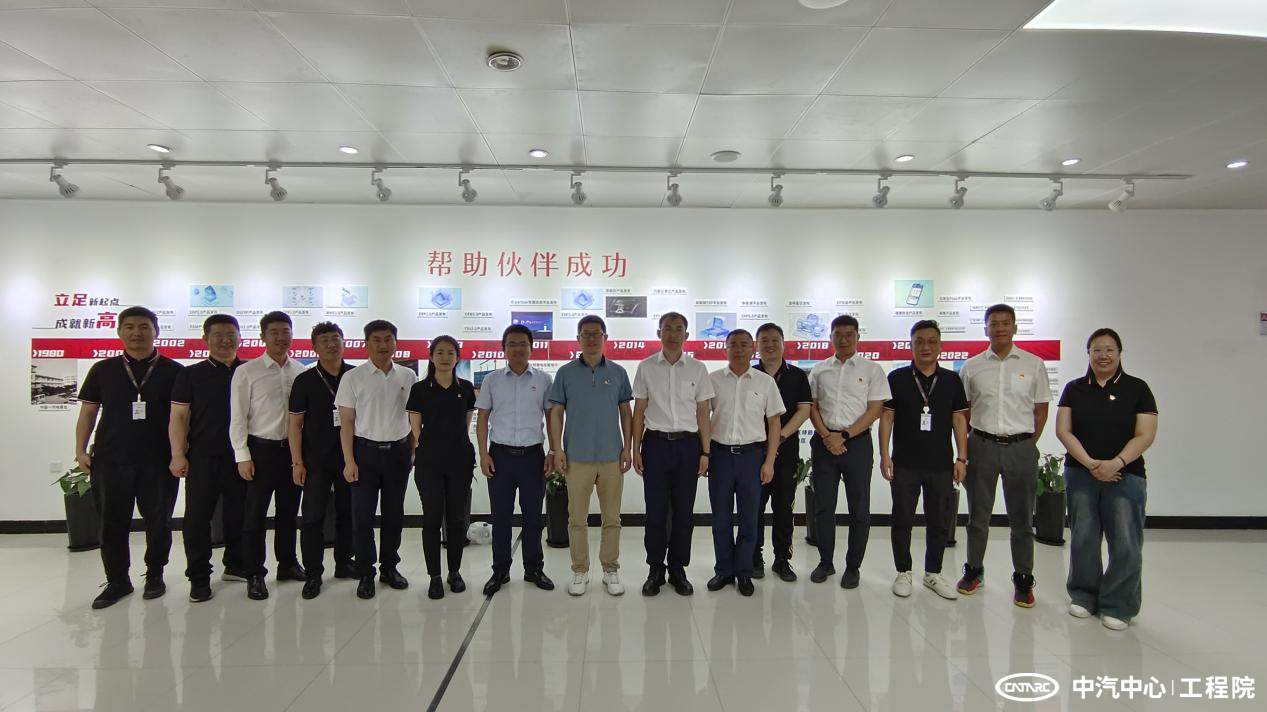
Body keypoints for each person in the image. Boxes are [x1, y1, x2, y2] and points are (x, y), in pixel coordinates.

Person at [75, 306, 183, 609]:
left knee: (159, 521)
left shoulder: (174, 371)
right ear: (120, 331)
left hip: (158, 460)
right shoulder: (103, 369)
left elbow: (182, 417)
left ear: (156, 331)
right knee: (112, 523)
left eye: (144, 327)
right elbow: (88, 413)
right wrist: (80, 450)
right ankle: (117, 580)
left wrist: (180, 454)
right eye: (130, 327)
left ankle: (155, 575)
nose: (137, 333)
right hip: (111, 459)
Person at [1056, 328, 1157, 630]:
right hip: (1081, 474)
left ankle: (1118, 604)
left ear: (1119, 353)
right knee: (1084, 537)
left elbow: (1145, 434)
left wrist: (1116, 463)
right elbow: (1063, 430)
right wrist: (1090, 464)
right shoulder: (1074, 389)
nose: (1103, 355)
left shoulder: (1138, 389)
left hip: (1126, 475)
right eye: (1096, 349)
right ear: (1088, 353)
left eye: (1110, 349)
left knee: (1125, 540)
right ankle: (1084, 596)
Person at [956, 303, 1053, 608]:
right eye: (993, 323)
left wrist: (1026, 444)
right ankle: (974, 570)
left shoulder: (1034, 364)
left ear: (1015, 327)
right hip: (981, 445)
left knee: (1022, 519)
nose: (999, 328)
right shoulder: (971, 367)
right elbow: (964, 412)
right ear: (985, 328)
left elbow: (1040, 411)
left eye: (1005, 323)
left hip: (1021, 448)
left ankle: (1023, 578)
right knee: (977, 517)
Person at [878, 320, 968, 601]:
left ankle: (933, 573)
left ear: (940, 346)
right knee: (902, 519)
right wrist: (884, 455)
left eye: (931, 341)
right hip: (904, 463)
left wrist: (962, 458)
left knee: (939, 521)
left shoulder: (952, 380)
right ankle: (903, 571)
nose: (925, 346)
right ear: (911, 344)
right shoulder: (896, 378)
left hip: (940, 464)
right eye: (919, 341)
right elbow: (887, 418)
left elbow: (959, 420)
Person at [548, 315, 634, 597]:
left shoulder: (618, 372)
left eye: (597, 334)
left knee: (612, 518)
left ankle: (610, 569)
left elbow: (626, 413)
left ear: (605, 338)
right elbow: (556, 413)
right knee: (576, 519)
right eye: (586, 334)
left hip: (611, 457)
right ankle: (580, 570)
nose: (592, 338)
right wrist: (557, 449)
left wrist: (628, 448)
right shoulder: (565, 373)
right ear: (578, 339)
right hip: (577, 458)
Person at [630, 312, 713, 597]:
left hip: (688, 446)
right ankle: (655, 569)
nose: (673, 334)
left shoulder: (698, 369)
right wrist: (635, 448)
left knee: (683, 512)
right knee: (655, 511)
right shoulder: (646, 367)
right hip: (655, 445)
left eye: (679, 329)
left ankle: (678, 569)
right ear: (659, 333)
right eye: (668, 328)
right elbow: (639, 411)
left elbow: (703, 413)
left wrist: (706, 451)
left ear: (686, 335)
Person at [807, 314, 890, 589]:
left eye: (849, 334)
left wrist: (843, 436)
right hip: (824, 443)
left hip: (857, 444)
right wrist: (826, 436)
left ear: (857, 337)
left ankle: (853, 566)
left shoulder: (872, 370)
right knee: (823, 507)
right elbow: (812, 407)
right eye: (838, 334)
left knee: (859, 508)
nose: (843, 339)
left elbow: (875, 410)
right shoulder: (819, 370)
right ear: (830, 337)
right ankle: (825, 561)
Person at [336, 319, 415, 600]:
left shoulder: (408, 375)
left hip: (397, 453)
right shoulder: (353, 378)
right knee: (363, 517)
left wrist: (412, 452)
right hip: (364, 454)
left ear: (396, 343)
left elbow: (413, 419)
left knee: (394, 514)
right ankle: (366, 572)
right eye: (377, 340)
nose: (383, 345)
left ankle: (389, 567)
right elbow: (346, 423)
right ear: (366, 343)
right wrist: (349, 461)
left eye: (388, 339)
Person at [230, 311, 306, 601]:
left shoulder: (300, 371)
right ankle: (254, 573)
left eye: (286, 331)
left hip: (292, 453)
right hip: (260, 451)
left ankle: (287, 563)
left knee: (288, 512)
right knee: (254, 515)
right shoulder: (247, 372)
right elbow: (238, 417)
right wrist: (242, 454)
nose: (281, 337)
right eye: (274, 332)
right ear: (262, 336)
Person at [169, 314, 246, 603]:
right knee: (197, 519)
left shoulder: (249, 372)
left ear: (240, 338)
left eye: (231, 334)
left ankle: (236, 565)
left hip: (242, 457)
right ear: (206, 339)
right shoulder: (191, 374)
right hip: (203, 458)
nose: (225, 340)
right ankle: (199, 578)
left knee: (240, 515)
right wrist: (178, 454)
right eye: (218, 335)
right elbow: (179, 417)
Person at [476, 325, 556, 597]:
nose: (517, 349)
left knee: (533, 517)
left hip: (533, 457)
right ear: (504, 349)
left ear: (531, 348)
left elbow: (552, 417)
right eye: (512, 344)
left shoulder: (543, 380)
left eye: (523, 343)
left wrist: (553, 451)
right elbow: (483, 417)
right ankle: (500, 570)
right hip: (500, 457)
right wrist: (483, 453)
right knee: (500, 518)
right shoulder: (492, 380)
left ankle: (534, 568)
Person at [706, 329, 784, 597]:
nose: (738, 350)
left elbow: (774, 422)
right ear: (725, 348)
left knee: (750, 518)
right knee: (721, 518)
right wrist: (704, 453)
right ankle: (724, 570)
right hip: (720, 456)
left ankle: (744, 571)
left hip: (752, 456)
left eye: (744, 345)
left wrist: (769, 461)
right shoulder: (713, 380)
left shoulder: (765, 382)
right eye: (733, 345)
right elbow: (702, 418)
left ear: (753, 349)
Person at [287, 322, 356, 600]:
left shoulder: (355, 376)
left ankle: (344, 562)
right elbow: (295, 424)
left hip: (350, 458)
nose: (331, 344)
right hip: (315, 460)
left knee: (348, 513)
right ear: (314, 346)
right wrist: (297, 462)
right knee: (313, 518)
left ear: (344, 342)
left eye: (336, 338)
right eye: (324, 340)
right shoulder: (304, 380)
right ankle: (313, 572)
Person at [407, 335, 477, 600]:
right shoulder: (420, 389)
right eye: (440, 352)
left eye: (450, 353)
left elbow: (466, 424)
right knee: (432, 519)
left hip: (460, 460)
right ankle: (434, 576)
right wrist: (430, 450)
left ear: (457, 357)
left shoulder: (466, 388)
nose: (445, 357)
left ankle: (454, 572)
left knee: (457, 519)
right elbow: (416, 430)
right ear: (431, 356)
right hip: (430, 462)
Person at [753, 322, 812, 582]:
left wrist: (779, 438)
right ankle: (754, 558)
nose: (770, 345)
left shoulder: (797, 376)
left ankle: (782, 560)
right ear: (757, 345)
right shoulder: (750, 375)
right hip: (755, 451)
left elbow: (804, 410)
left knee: (784, 508)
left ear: (783, 343)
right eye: (764, 340)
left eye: (774, 340)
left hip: (786, 452)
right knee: (754, 507)